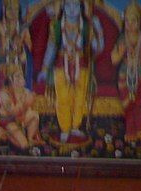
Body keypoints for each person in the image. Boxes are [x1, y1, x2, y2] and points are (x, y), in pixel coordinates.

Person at [37, 0, 105, 143]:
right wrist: (44, 68)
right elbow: (51, 47)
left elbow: (97, 49)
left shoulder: (86, 26)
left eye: (76, 5)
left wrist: (97, 29)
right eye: (68, 5)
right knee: (62, 98)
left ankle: (75, 126)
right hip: (61, 63)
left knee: (79, 98)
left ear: (81, 7)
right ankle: (65, 128)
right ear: (63, 6)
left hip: (82, 64)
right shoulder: (56, 25)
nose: (72, 9)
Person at [110, 1, 141, 142]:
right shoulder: (122, 39)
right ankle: (130, 133)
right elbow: (113, 59)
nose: (130, 24)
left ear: (139, 21)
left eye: (133, 20)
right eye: (127, 21)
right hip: (124, 76)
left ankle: (140, 131)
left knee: (139, 104)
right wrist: (121, 52)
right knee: (128, 105)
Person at [0, 66, 42, 150]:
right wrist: (26, 103)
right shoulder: (4, 94)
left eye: (21, 76)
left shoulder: (25, 91)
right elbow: (13, 111)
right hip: (7, 122)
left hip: (18, 119)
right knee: (24, 145)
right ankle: (5, 134)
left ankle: (30, 139)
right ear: (10, 79)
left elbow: (28, 108)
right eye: (17, 77)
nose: (20, 79)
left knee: (34, 115)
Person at [0, 0, 31, 93]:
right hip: (3, 64)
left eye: (15, 9)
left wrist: (20, 42)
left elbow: (30, 47)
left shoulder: (23, 28)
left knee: (18, 93)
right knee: (1, 92)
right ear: (4, 10)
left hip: (18, 64)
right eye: (10, 9)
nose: (12, 12)